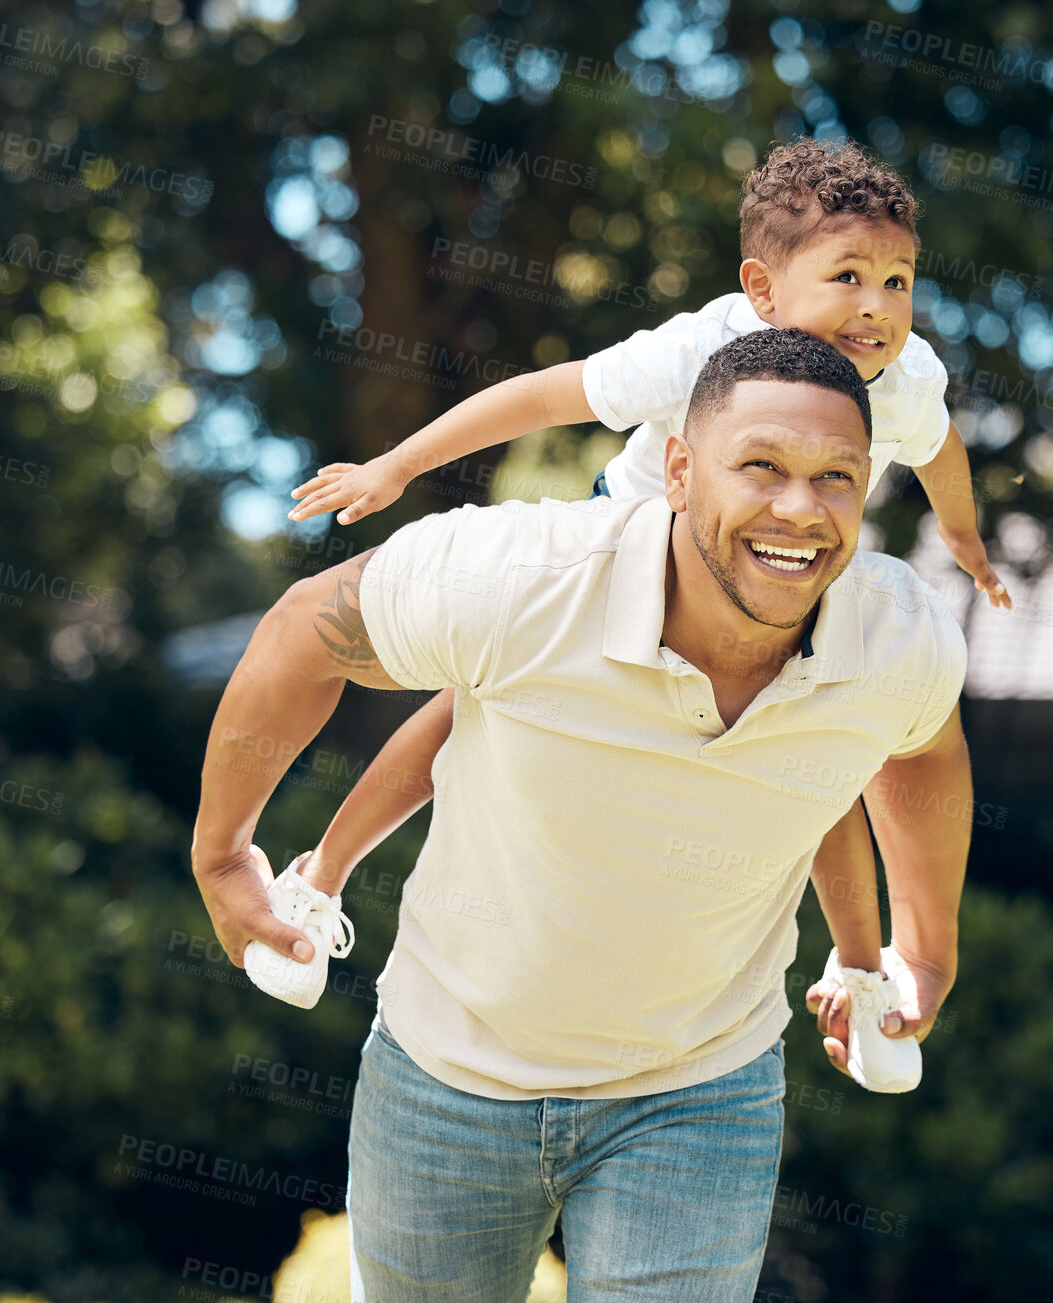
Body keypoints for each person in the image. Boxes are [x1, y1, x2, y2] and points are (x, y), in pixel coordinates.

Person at [191, 328, 971, 1301]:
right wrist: (223, 853)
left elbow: (923, 749)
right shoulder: (520, 578)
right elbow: (306, 627)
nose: (799, 509)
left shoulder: (896, 635)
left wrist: (924, 946)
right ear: (678, 470)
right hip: (444, 1076)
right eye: (760, 466)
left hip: (697, 1092)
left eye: (835, 479)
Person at [278, 137, 1005, 1088]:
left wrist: (965, 540)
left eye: (900, 281)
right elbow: (543, 396)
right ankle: (319, 875)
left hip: (765, 570)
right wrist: (398, 464)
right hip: (623, 544)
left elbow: (942, 449)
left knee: (823, 735)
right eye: (850, 275)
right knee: (467, 707)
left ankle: (863, 974)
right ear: (763, 287)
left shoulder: (899, 380)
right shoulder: (699, 348)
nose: (878, 304)